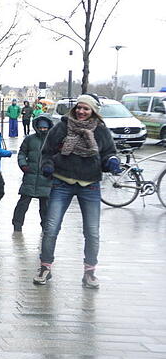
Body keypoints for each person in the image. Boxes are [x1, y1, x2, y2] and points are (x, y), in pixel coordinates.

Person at [34, 95, 117, 289]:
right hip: (62, 182)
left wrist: (111, 161)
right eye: (79, 108)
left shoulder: (101, 130)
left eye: (86, 109)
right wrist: (47, 166)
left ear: (93, 111)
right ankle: (45, 267)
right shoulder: (62, 127)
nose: (81, 112)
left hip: (90, 185)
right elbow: (47, 152)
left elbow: (109, 152)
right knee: (51, 227)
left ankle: (89, 272)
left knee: (92, 231)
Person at [12, 115, 54, 232]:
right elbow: (21, 153)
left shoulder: (53, 141)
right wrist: (23, 165)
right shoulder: (29, 139)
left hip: (46, 178)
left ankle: (45, 227)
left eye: (45, 128)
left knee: (45, 206)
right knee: (23, 203)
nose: (42, 130)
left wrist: (53, 170)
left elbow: (59, 157)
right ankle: (17, 225)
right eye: (40, 127)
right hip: (30, 175)